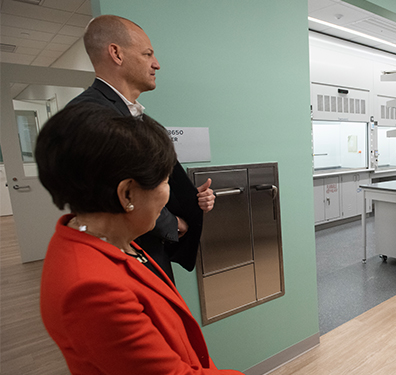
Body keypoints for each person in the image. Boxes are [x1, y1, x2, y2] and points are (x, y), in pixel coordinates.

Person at [37, 103, 242, 375]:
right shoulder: (92, 291)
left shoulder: (112, 240)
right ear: (127, 195)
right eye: (165, 182)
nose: (168, 195)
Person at [67, 14, 214, 282]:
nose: (156, 64)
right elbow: (114, 194)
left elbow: (139, 180)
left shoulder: (132, 115)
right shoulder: (90, 115)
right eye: (147, 54)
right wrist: (172, 223)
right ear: (116, 53)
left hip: (148, 251)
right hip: (128, 257)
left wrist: (191, 199)